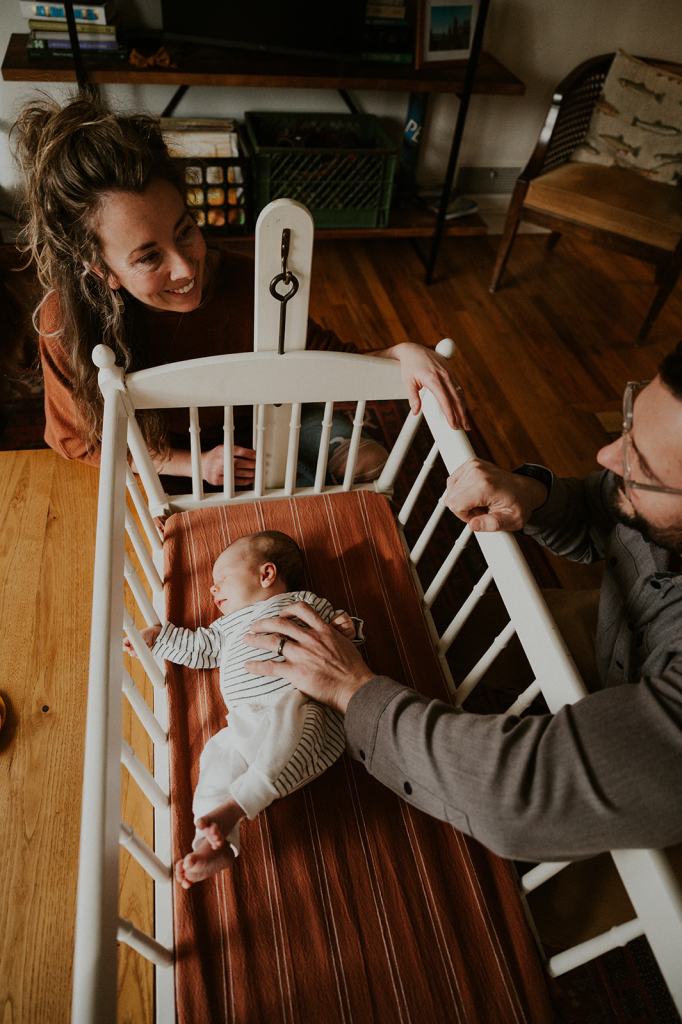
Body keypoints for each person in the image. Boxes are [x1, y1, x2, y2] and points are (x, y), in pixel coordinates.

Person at [242, 347, 682, 862]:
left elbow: (518, 797)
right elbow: (604, 507)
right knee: (423, 628)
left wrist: (350, 690)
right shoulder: (653, 500)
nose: (607, 454)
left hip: (643, 813)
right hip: (616, 633)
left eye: (641, 465)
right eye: (629, 423)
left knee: (483, 877)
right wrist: (535, 495)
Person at [11, 93, 468, 490]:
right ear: (100, 269)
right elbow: (79, 439)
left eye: (185, 230)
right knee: (273, 516)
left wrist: (399, 352)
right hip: (172, 455)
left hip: (265, 419)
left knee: (340, 453)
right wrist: (196, 465)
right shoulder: (67, 323)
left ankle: (338, 445)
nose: (187, 267)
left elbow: (324, 356)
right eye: (149, 257)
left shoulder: (247, 282)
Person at [127, 529, 364, 888]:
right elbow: (200, 648)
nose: (212, 590)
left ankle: (239, 805)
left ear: (266, 574)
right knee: (215, 758)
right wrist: (160, 638)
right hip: (245, 722)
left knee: (293, 718)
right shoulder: (225, 627)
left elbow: (340, 637)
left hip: (304, 703)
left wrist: (350, 629)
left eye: (221, 579)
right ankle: (212, 844)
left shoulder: (303, 603)